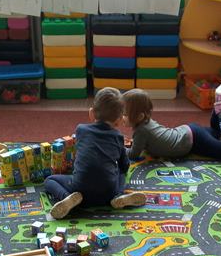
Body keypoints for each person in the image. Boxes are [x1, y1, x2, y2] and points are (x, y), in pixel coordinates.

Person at [44, 87, 146, 219]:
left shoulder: (81, 129)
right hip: (108, 192)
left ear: (91, 113)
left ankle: (67, 197)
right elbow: (124, 165)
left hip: (80, 189)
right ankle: (119, 196)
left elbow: (81, 154)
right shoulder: (118, 137)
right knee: (121, 172)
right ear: (119, 120)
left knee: (49, 180)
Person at [122, 82, 221, 162]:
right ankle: (219, 101)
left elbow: (133, 155)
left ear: (140, 116)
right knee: (216, 132)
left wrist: (118, 149)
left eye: (124, 114)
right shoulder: (146, 121)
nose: (121, 117)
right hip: (189, 132)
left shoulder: (141, 131)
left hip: (193, 141)